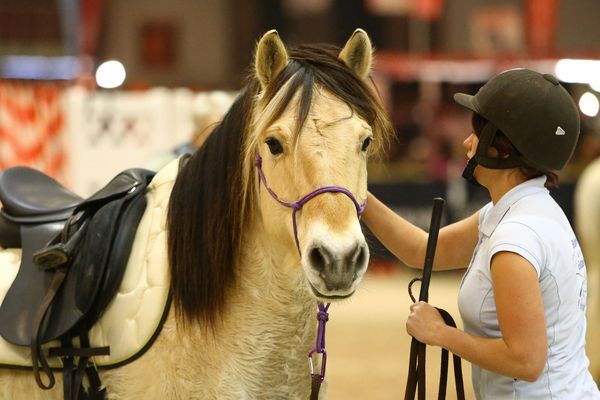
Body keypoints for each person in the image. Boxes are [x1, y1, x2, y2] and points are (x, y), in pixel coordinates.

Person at [363, 68, 600, 399]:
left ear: (503, 149)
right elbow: (420, 251)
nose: (467, 142)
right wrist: (358, 195)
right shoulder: (515, 211)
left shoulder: (515, 238)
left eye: (478, 133)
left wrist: (440, 333)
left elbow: (527, 360)